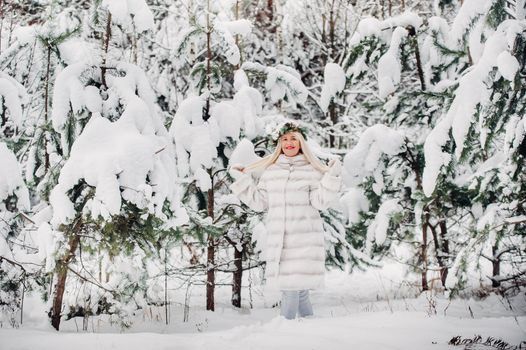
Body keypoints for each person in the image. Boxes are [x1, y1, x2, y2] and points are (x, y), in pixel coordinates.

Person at [228, 120, 342, 320]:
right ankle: (311, 331)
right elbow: (259, 202)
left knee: (292, 289)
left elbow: (320, 202)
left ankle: (283, 333)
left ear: (301, 143)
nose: (289, 143)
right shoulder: (271, 171)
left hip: (304, 240)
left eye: (294, 139)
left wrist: (331, 176)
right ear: (279, 143)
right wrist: (241, 179)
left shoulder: (311, 170)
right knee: (299, 292)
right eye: (285, 139)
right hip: (280, 242)